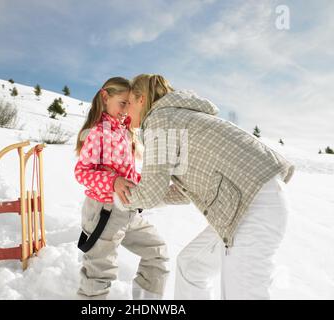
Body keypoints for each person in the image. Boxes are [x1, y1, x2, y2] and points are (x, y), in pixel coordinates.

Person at [114, 74, 295, 300]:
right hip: (251, 202)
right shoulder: (181, 117)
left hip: (252, 205)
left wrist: (120, 195)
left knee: (242, 293)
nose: (125, 111)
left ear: (141, 100)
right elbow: (181, 193)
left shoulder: (160, 119)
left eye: (128, 103)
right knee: (191, 266)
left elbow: (150, 193)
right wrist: (145, 195)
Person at [74, 76, 169, 299]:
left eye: (130, 104)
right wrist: (113, 182)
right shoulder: (98, 132)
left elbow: (126, 173)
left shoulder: (124, 132)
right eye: (122, 103)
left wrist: (144, 181)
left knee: (157, 252)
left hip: (127, 210)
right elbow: (82, 172)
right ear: (105, 97)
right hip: (103, 212)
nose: (127, 109)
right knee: (99, 273)